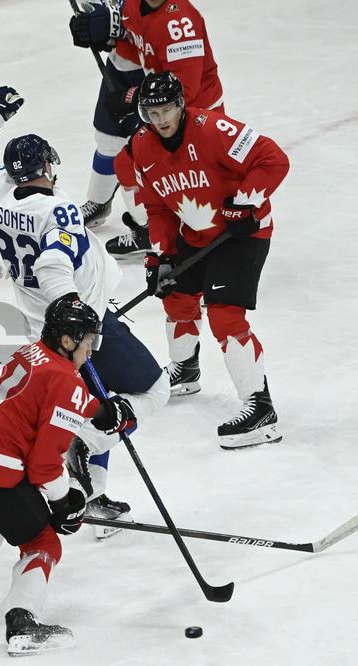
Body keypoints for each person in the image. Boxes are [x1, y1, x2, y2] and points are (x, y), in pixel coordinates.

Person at [0, 86, 169, 531]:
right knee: (150, 392)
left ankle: (95, 492)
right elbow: (53, 264)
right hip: (81, 328)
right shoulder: (61, 209)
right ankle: (85, 442)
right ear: (47, 167)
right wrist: (73, 308)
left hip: (43, 329)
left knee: (95, 400)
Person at [0, 298, 137, 655]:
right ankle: (23, 623)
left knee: (0, 503)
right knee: (43, 541)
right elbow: (43, 465)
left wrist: (96, 409)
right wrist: (65, 503)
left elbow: (41, 391)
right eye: (88, 341)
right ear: (68, 340)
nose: (91, 352)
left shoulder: (29, 353)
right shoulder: (66, 381)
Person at [127, 72, 289, 448]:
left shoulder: (213, 127)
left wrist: (246, 201)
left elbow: (273, 159)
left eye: (167, 110)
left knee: (224, 316)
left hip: (241, 235)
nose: (161, 120)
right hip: (195, 234)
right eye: (153, 113)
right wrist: (161, 255)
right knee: (176, 297)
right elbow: (157, 207)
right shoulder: (142, 147)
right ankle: (185, 371)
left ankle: (261, 409)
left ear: (181, 106)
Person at [69, 0, 225, 259]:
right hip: (164, 108)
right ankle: (150, 229)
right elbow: (138, 42)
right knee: (128, 161)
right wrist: (103, 38)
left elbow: (185, 91)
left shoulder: (178, 23)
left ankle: (181, 242)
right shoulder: (135, 4)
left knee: (199, 189)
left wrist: (132, 97)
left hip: (194, 114)